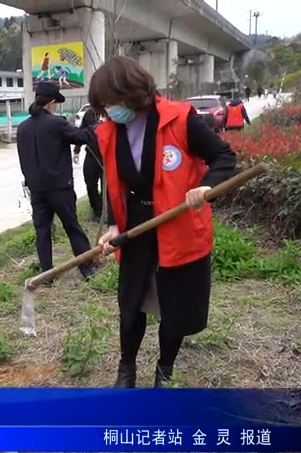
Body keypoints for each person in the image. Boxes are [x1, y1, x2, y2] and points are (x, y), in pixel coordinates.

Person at [88, 56, 238, 388]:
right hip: (138, 225)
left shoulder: (179, 120)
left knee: (174, 304)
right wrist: (115, 227)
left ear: (130, 92)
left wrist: (206, 186)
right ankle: (126, 370)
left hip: (179, 221)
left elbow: (224, 156)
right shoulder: (110, 132)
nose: (109, 111)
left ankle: (164, 370)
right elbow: (116, 185)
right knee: (132, 301)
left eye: (111, 103)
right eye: (104, 106)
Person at [16, 81, 96, 279]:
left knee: (42, 231)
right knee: (72, 227)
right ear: (51, 103)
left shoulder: (23, 128)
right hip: (59, 187)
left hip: (36, 189)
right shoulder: (56, 123)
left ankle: (47, 274)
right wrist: (97, 126)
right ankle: (86, 267)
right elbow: (81, 137)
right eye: (56, 103)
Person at [73, 107, 110, 222]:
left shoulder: (112, 113)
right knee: (90, 184)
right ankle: (96, 211)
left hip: (107, 157)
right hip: (92, 154)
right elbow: (82, 132)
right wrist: (77, 150)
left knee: (107, 187)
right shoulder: (90, 114)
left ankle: (106, 212)